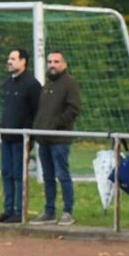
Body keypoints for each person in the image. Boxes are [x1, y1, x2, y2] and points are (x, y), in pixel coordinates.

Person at [0, 48, 42, 224]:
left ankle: (20, 211)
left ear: (23, 61)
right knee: (6, 172)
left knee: (19, 175)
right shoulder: (8, 84)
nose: (9, 61)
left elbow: (37, 112)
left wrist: (31, 137)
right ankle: (8, 209)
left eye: (13, 58)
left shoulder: (32, 85)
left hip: (22, 139)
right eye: (9, 58)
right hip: (6, 137)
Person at [31, 51, 81, 226]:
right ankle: (49, 211)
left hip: (60, 139)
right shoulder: (47, 85)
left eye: (56, 61)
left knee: (63, 175)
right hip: (44, 139)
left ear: (64, 64)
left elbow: (73, 109)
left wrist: (56, 125)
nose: (52, 64)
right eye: (50, 61)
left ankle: (68, 211)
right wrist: (38, 128)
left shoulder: (70, 84)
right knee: (48, 177)